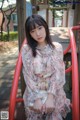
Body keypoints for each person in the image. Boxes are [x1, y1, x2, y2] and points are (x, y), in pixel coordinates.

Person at [21, 14, 70, 120]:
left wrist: (51, 96)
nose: (38, 34)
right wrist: (37, 98)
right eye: (32, 31)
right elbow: (28, 74)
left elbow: (58, 73)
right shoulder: (27, 49)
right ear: (29, 34)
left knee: (54, 110)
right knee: (35, 108)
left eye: (40, 28)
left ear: (45, 27)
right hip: (34, 88)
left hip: (54, 87)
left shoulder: (57, 47)